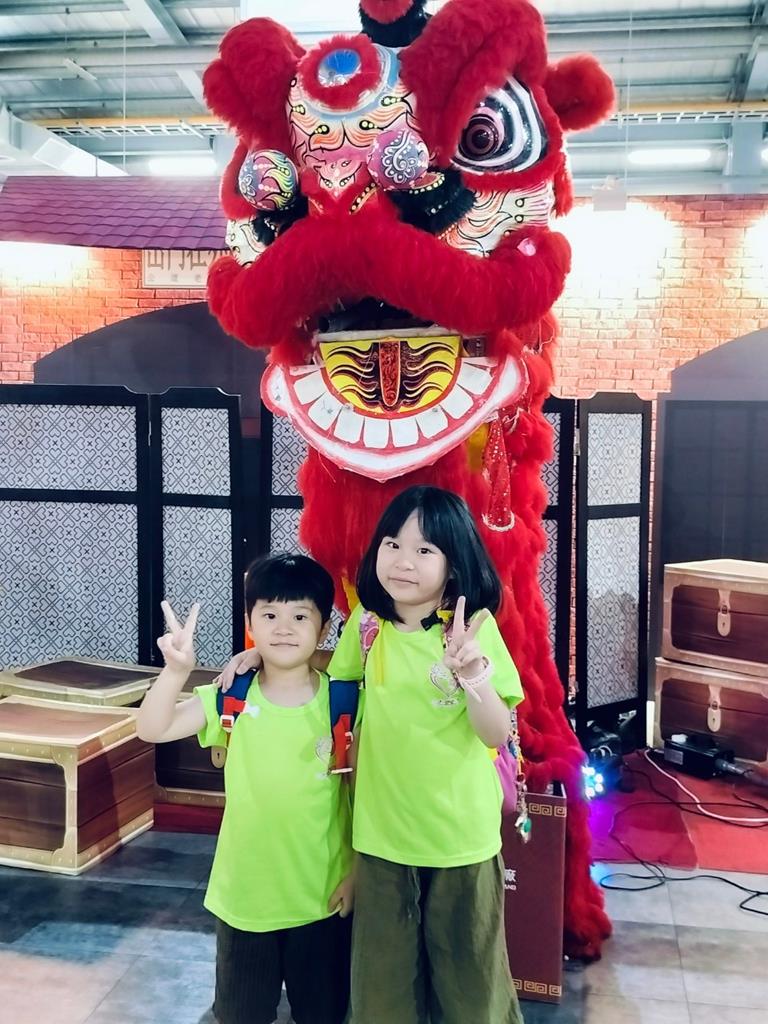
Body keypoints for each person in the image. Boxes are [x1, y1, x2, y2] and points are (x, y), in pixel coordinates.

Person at [221, 486, 525, 1024]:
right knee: (381, 991)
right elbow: (330, 676)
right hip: (380, 840)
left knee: (471, 990)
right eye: (392, 544)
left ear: (454, 563)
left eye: (425, 550)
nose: (404, 561)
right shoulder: (367, 625)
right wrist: (262, 656)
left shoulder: (475, 631)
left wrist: (473, 672)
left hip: (460, 840)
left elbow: (494, 732)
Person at [136, 553, 354, 1024]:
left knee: (324, 1013)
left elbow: (359, 795)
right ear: (250, 623)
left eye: (300, 617)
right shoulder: (230, 696)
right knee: (241, 1014)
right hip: (244, 901)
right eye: (269, 615)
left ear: (323, 628)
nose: (284, 628)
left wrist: (356, 871)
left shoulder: (343, 702)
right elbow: (152, 728)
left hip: (322, 899)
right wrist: (175, 671)